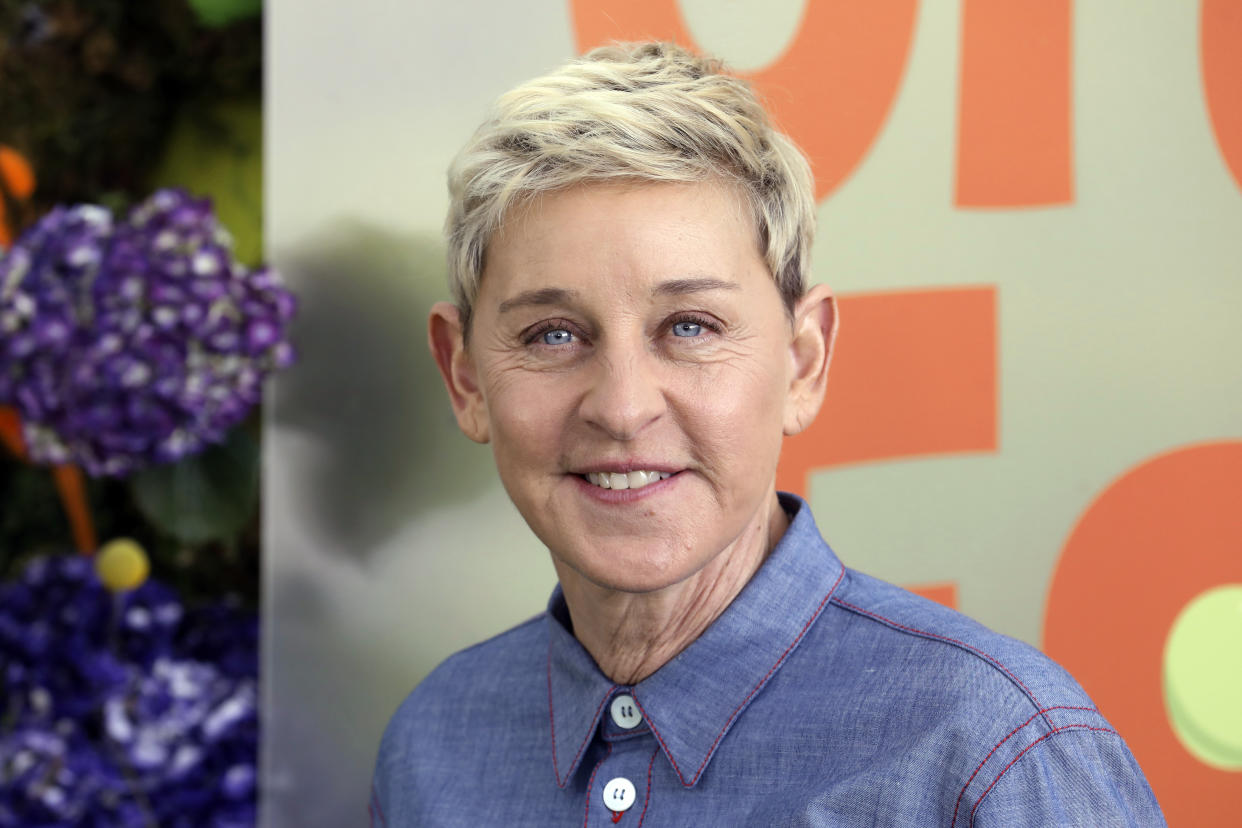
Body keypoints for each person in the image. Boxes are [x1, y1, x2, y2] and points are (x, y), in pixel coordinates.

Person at [370, 42, 1165, 826]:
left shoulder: (989, 755)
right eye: (552, 335)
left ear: (804, 360)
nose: (621, 407)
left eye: (689, 325)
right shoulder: (431, 746)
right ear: (465, 376)